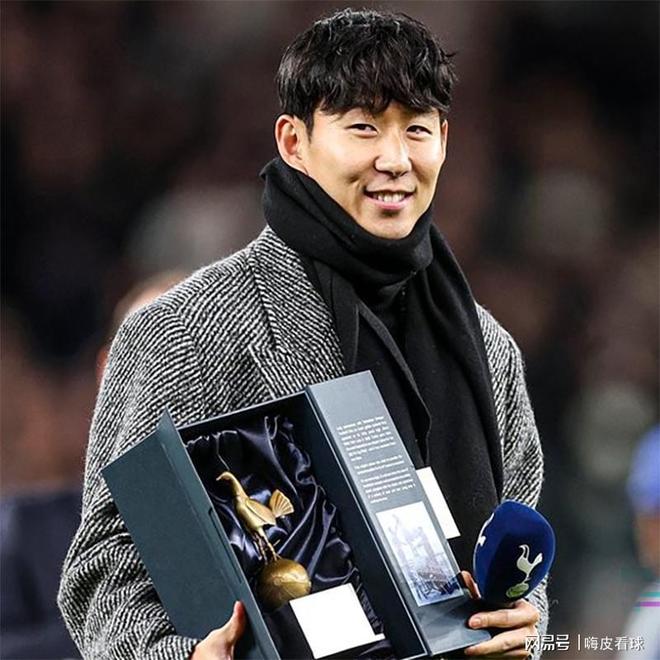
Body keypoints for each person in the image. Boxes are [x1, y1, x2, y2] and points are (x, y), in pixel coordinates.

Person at [58, 8, 547, 659]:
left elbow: (520, 561)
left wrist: (523, 623)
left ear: (444, 140)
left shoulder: (489, 350)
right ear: (294, 142)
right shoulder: (182, 332)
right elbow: (103, 570)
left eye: (417, 130)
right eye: (363, 127)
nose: (395, 159)